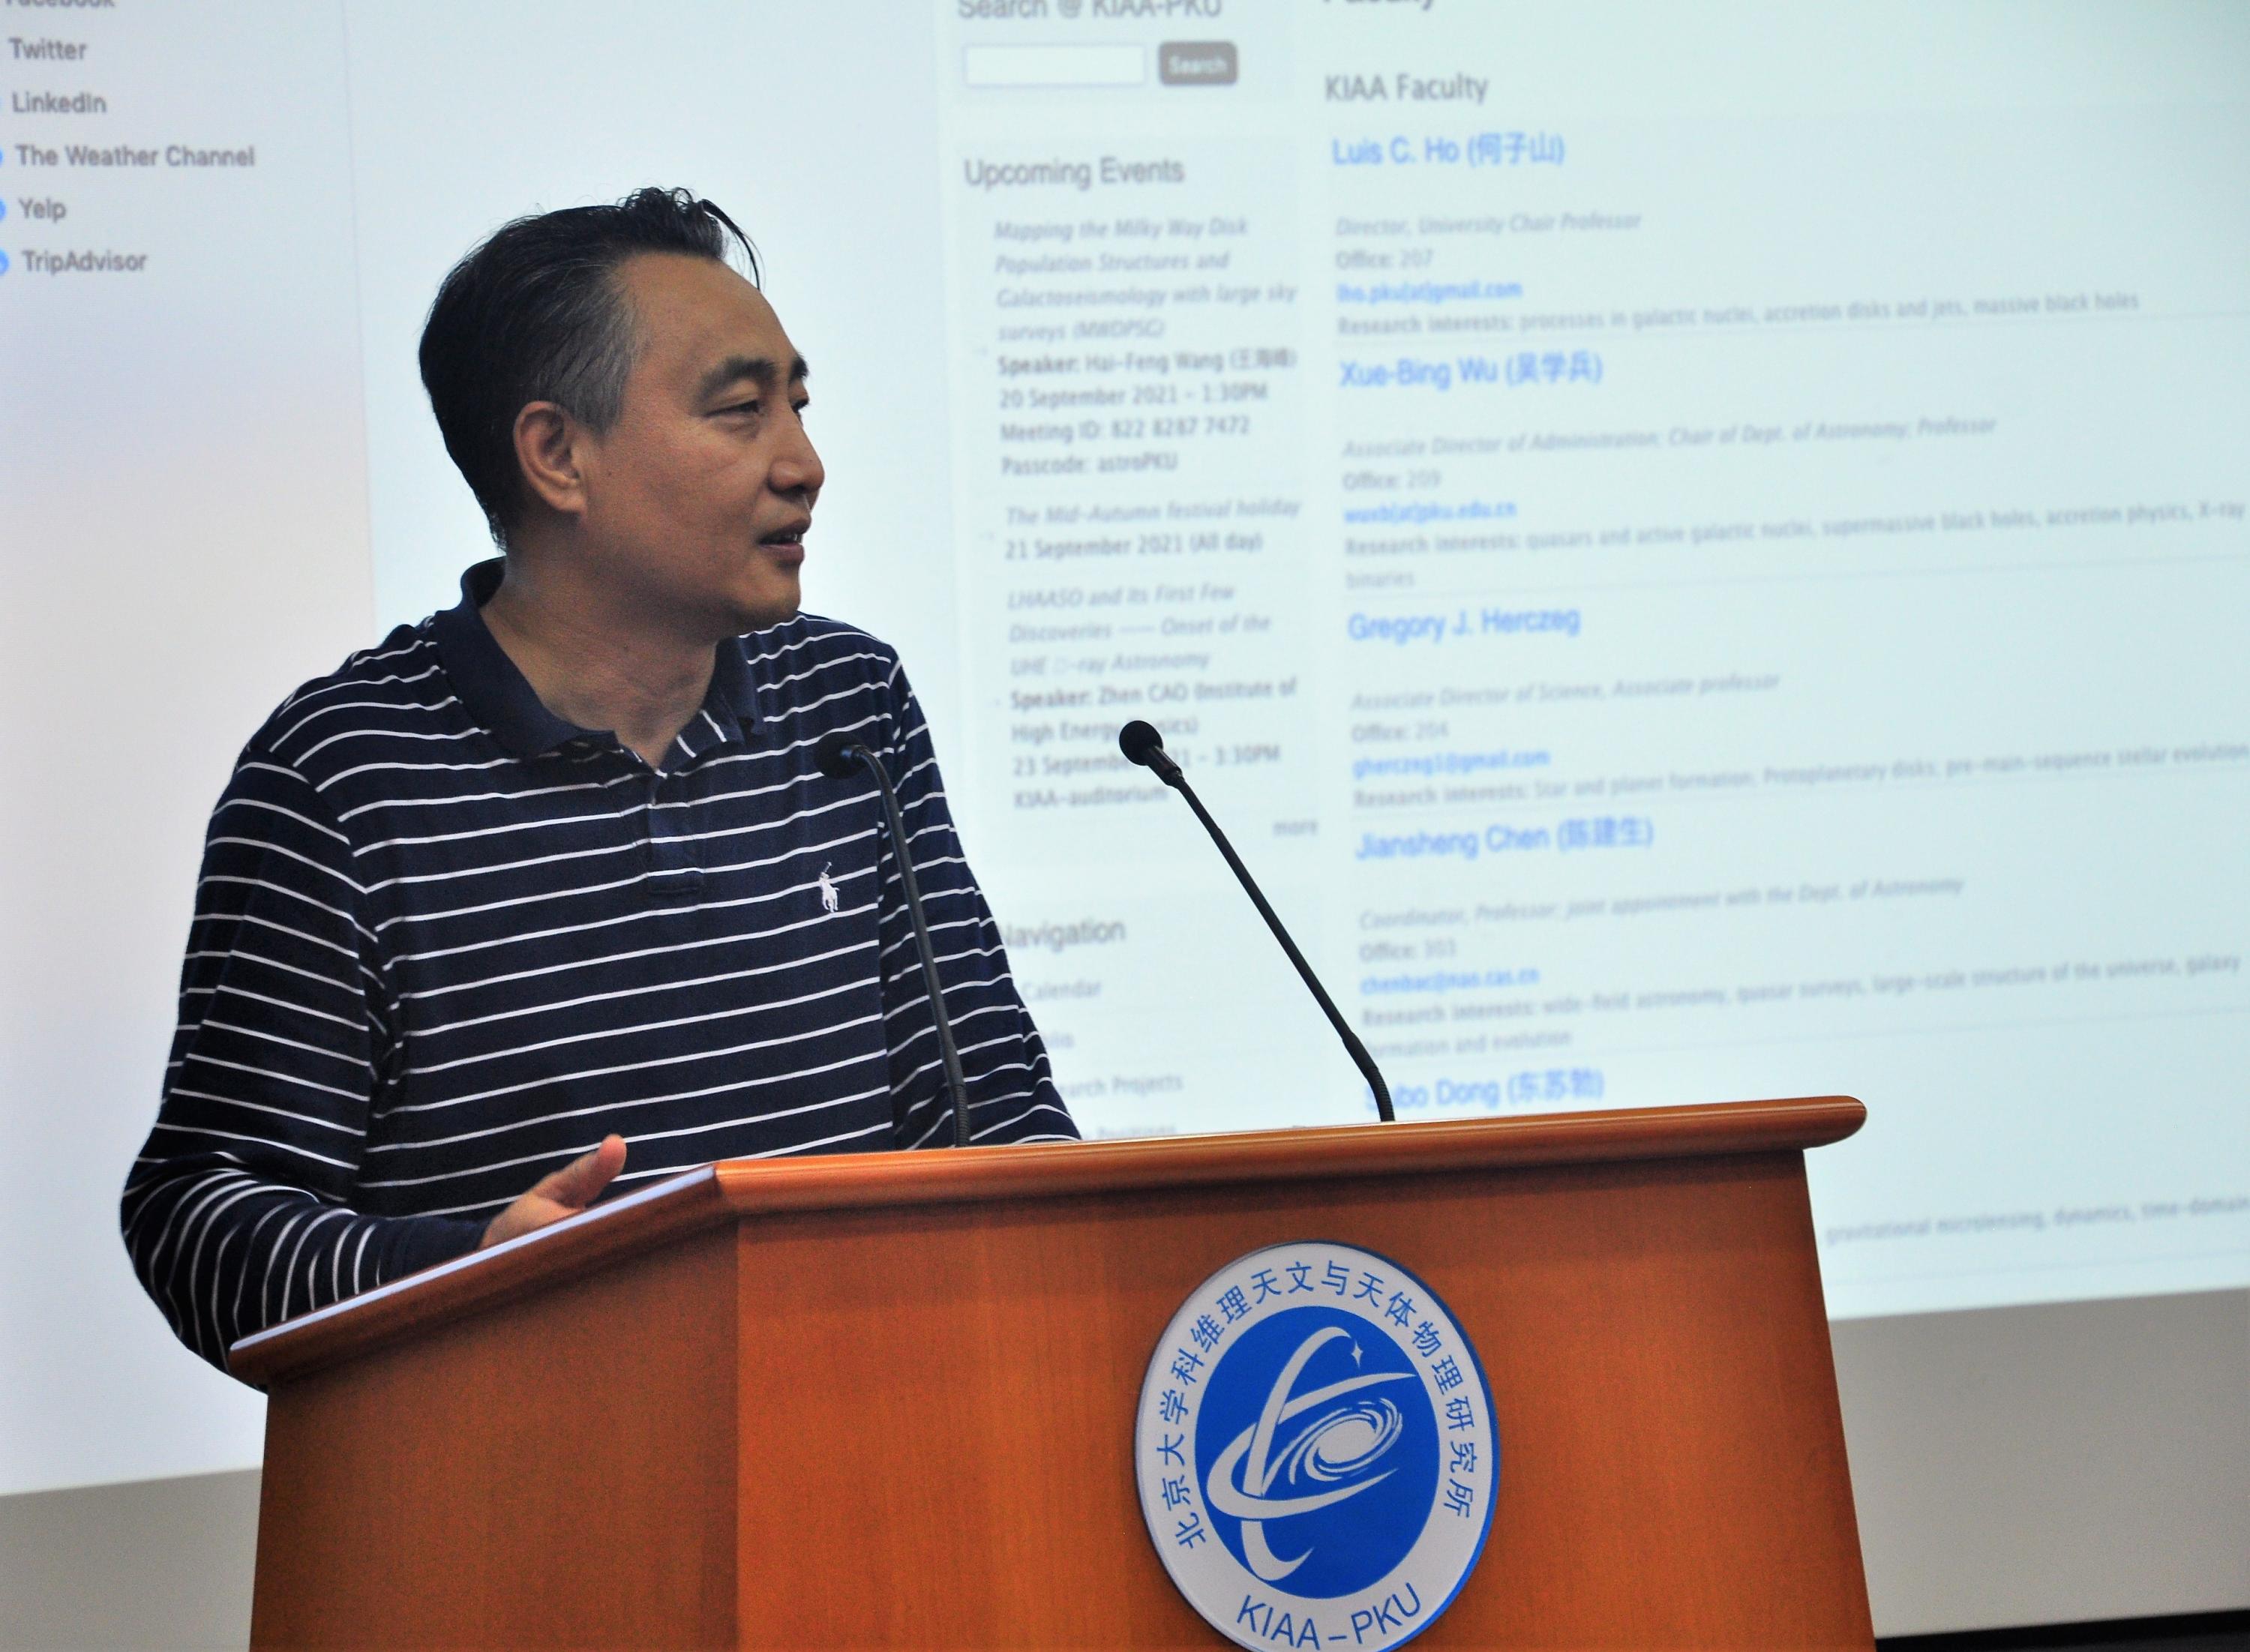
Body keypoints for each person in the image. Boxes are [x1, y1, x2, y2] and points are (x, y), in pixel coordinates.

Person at [121, 188, 1076, 1374]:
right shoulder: (344, 779)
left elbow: (989, 1104)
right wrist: (467, 1268)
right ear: (558, 456)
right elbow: (198, 1216)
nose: (805, 464)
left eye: (798, 405)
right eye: (740, 411)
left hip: (872, 1438)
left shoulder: (848, 702)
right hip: (528, 1459)